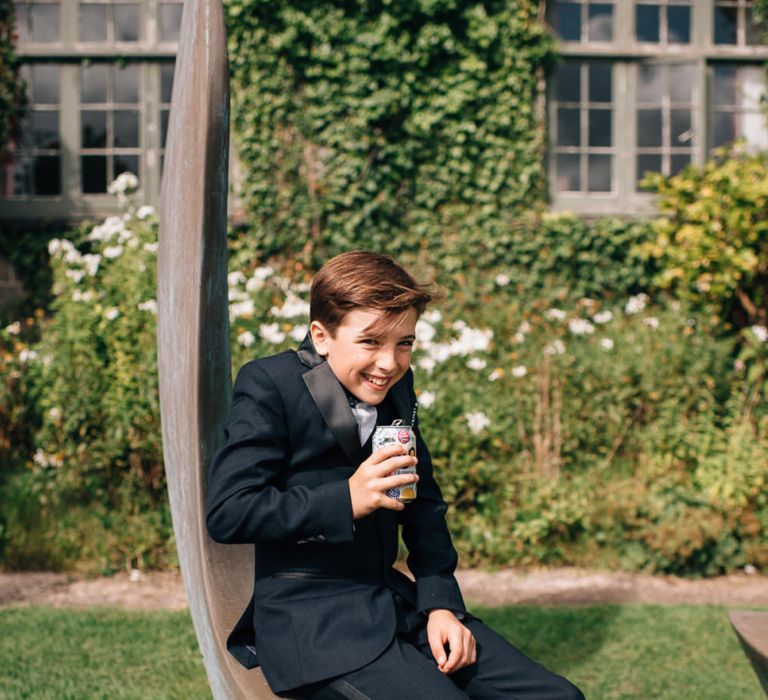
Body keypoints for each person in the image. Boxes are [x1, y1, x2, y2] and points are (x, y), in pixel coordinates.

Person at [206, 251, 585, 700]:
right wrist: (346, 498)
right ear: (321, 335)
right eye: (370, 342)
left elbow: (424, 505)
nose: (389, 363)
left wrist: (441, 604)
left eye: (404, 343)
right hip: (312, 627)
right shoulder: (270, 384)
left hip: (397, 604)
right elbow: (230, 511)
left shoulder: (396, 387)